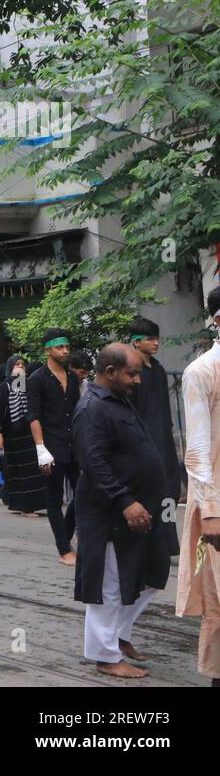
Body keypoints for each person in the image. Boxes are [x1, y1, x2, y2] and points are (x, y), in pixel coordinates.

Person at [73, 343, 172, 679]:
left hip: (142, 509)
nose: (138, 380)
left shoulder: (117, 402)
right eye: (132, 373)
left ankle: (120, 635)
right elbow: (94, 463)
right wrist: (125, 501)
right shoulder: (91, 409)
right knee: (109, 586)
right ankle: (104, 655)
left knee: (153, 574)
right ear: (110, 372)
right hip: (111, 514)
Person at [177, 285, 220, 684]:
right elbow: (199, 452)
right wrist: (210, 515)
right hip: (218, 508)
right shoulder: (201, 372)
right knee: (218, 603)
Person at [29, 328, 82, 566]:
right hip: (50, 446)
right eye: (60, 347)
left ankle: (66, 537)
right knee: (54, 499)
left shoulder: (73, 378)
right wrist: (41, 448)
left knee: (82, 494)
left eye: (67, 346)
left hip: (74, 445)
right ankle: (63, 549)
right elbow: (34, 416)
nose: (65, 351)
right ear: (48, 350)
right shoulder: (36, 380)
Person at [128, 317, 183, 527]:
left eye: (157, 338)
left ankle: (168, 539)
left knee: (170, 491)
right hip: (143, 442)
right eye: (150, 338)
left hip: (164, 438)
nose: (156, 343)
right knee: (148, 492)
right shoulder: (131, 372)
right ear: (136, 342)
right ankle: (148, 537)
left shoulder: (159, 370)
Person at [0, 356, 45, 515]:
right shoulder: (3, 388)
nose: (20, 367)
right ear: (10, 368)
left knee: (32, 471)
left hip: (28, 435)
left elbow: (32, 408)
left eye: (23, 365)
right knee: (18, 473)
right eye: (17, 364)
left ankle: (28, 504)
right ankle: (26, 507)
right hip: (11, 437)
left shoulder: (26, 386)